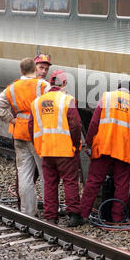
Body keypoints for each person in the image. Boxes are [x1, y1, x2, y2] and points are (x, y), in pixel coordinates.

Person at [80, 81, 130, 222]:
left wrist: (89, 143)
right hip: (124, 150)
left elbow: (94, 123)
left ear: (118, 89)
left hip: (103, 147)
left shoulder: (106, 97)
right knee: (121, 185)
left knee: (93, 182)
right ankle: (117, 218)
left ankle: (83, 214)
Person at [0, 57, 50, 216]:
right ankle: (49, 210)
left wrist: (10, 119)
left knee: (24, 175)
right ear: (35, 69)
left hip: (19, 133)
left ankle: (27, 212)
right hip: (38, 135)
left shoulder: (12, 88)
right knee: (46, 173)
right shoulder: (43, 86)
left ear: (21, 71)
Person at [29, 69, 83, 227]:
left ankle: (50, 217)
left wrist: (39, 146)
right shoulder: (68, 100)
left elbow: (31, 127)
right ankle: (74, 216)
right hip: (65, 150)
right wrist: (75, 144)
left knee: (50, 183)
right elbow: (76, 125)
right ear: (64, 83)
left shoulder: (37, 102)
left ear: (50, 83)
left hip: (46, 149)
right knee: (70, 181)